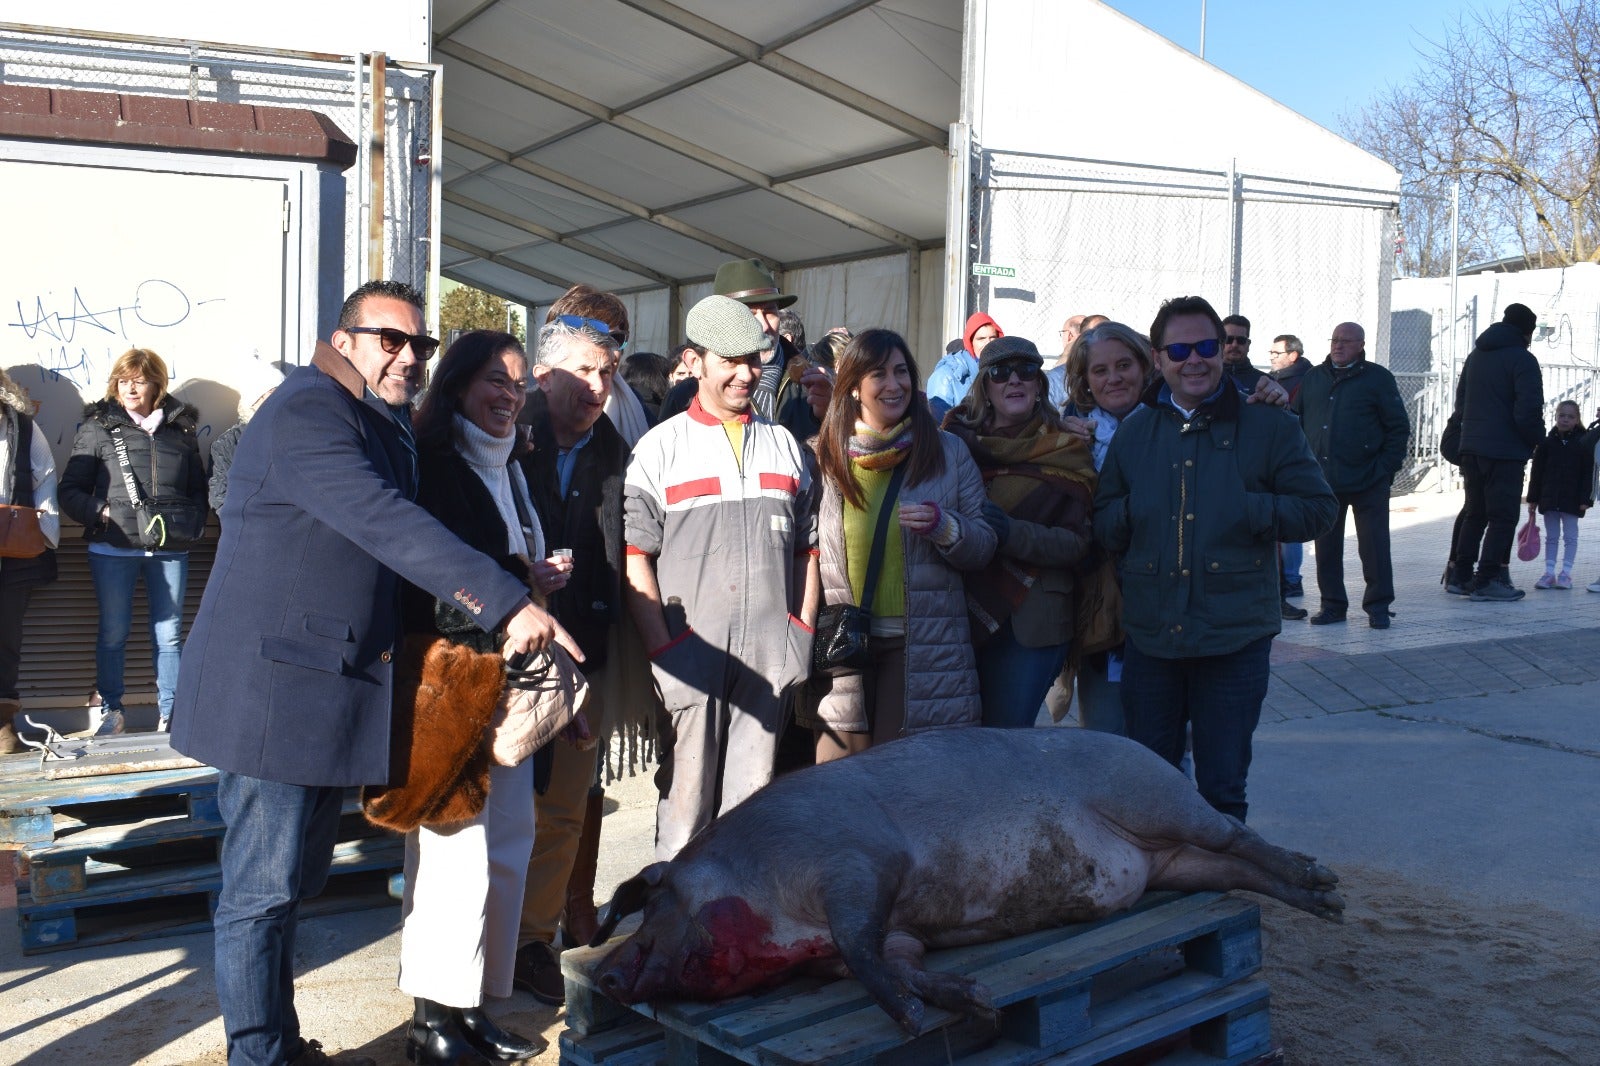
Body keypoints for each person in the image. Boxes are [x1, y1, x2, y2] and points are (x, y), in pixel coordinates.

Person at [170, 280, 575, 1066]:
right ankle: (259, 1055)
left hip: (327, 689)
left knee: (289, 889)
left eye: (418, 344)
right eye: (389, 339)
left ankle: (278, 1044)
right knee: (260, 895)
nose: (408, 356)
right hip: (274, 694)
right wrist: (502, 600)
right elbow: (381, 519)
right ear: (343, 337)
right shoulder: (310, 411)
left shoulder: (375, 419)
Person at [1093, 296, 1335, 822]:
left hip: (1233, 638)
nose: (1194, 360)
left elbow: (1318, 510)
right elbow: (1104, 518)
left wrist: (1247, 509)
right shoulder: (1136, 433)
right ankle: (1166, 893)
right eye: (1179, 349)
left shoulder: (1269, 425)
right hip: (1153, 638)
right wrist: (1135, 512)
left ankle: (1221, 896)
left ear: (1223, 352)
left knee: (1223, 787)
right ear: (1158, 359)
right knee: (1152, 783)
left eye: (1206, 346)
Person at [396, 330, 558, 1065]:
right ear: (458, 384)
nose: (507, 395)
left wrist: (531, 581)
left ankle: (480, 1006)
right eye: (495, 380)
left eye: (518, 385)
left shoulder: (512, 467)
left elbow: (498, 566)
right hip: (453, 684)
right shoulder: (434, 464)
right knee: (454, 854)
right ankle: (436, 1019)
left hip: (509, 682)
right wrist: (507, 585)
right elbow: (433, 580)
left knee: (509, 847)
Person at [623, 294, 818, 859]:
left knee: (752, 816)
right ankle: (669, 930)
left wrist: (798, 636)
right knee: (684, 811)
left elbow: (809, 551)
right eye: (729, 359)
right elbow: (636, 559)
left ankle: (739, 936)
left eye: (754, 360)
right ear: (694, 361)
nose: (745, 373)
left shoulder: (784, 446)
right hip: (692, 657)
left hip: (768, 659)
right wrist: (666, 653)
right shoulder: (658, 450)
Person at [801, 328, 995, 758]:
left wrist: (946, 528)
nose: (894, 385)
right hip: (843, 649)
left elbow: (984, 545)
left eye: (902, 371)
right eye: (878, 374)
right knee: (837, 787)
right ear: (851, 387)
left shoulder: (948, 453)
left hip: (923, 648)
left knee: (900, 785)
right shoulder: (819, 458)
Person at [512, 317, 631, 1006]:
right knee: (500, 811)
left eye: (607, 373)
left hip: (586, 654)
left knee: (563, 810)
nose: (598, 386)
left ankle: (534, 940)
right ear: (545, 374)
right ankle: (482, 946)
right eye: (585, 371)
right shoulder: (503, 438)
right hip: (503, 655)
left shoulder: (620, 455)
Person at [942, 336, 1094, 727]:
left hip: (1034, 623)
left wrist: (1011, 533)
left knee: (1008, 738)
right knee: (962, 733)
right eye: (1000, 372)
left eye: (1027, 371)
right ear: (985, 388)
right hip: (960, 611)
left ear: (1039, 386)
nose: (1015, 380)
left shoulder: (1065, 446)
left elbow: (1077, 543)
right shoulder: (954, 442)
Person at [60, 347, 208, 736]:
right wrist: (102, 511)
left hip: (170, 549)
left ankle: (172, 715)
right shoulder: (97, 428)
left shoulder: (182, 431)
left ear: (157, 384)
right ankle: (112, 710)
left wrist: (191, 524)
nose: (130, 389)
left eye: (139, 381)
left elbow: (198, 488)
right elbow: (70, 491)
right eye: (123, 381)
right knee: (113, 631)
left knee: (170, 635)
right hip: (113, 547)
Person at [1046, 321, 1158, 735]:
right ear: (1085, 380)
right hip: (1102, 605)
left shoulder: (1176, 418)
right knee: (1105, 734)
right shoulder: (1069, 433)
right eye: (1100, 370)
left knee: (1164, 739)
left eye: (1124, 365)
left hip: (1168, 601)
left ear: (1145, 366)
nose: (1114, 378)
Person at [1293, 322, 1411, 629]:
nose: (1338, 345)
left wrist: (1385, 468)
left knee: (1374, 545)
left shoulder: (1377, 378)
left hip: (1368, 478)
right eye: (1335, 340)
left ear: (1360, 345)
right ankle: (1332, 605)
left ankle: (1378, 606)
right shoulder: (1314, 378)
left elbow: (1398, 427)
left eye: (1346, 341)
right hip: (1323, 479)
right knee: (1326, 547)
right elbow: (1295, 419)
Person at [657, 261, 831, 441]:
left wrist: (829, 415)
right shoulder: (685, 395)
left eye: (770, 311)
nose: (763, 326)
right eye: (749, 313)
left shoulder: (813, 382)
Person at [1445, 303, 1545, 601]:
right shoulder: (1523, 360)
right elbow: (1527, 410)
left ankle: (1460, 575)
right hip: (1505, 451)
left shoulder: (1477, 356)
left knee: (1475, 513)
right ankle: (1487, 579)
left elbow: (1461, 402)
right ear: (1527, 332)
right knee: (1502, 517)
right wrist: (1537, 440)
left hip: (1472, 447)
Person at [0, 370, 58, 754]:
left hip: (12, 551)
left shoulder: (22, 427)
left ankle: (2, 726)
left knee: (6, 638)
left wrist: (45, 533)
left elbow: (46, 477)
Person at [1527, 400, 1593, 590]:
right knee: (1552, 537)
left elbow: (1588, 473)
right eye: (1561, 415)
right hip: (1550, 498)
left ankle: (1566, 573)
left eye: (1570, 416)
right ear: (1555, 417)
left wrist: (1585, 499)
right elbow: (1537, 472)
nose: (1565, 419)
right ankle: (1549, 573)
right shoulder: (1547, 443)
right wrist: (1533, 498)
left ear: (1577, 419)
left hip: (1572, 500)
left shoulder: (1583, 443)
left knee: (1571, 537)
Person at [209, 360, 286, 517]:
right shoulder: (229, 443)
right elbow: (220, 497)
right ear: (256, 400)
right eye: (273, 393)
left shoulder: (297, 435)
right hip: (249, 530)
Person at [1268, 334, 1312, 603]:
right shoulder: (1275, 379)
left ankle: (1292, 579)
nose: (1271, 357)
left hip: (1293, 460)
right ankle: (1287, 578)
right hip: (1278, 458)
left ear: (1292, 356)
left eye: (1276, 353)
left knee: (1290, 523)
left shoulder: (1302, 381)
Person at [926, 312, 1002, 421]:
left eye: (992, 337)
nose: (988, 343)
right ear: (970, 342)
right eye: (981, 338)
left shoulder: (1001, 373)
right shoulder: (944, 376)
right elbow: (940, 427)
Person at [1220, 314, 1267, 391]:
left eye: (1240, 340)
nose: (1234, 345)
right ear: (1221, 342)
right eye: (1229, 339)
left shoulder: (1265, 384)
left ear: (1248, 344)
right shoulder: (1207, 380)